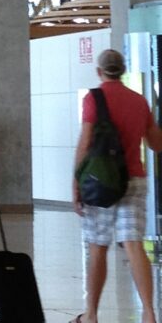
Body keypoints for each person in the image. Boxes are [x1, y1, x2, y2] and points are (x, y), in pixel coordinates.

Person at [71, 48, 162, 323]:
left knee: (98, 246)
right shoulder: (138, 100)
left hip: (100, 181)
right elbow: (156, 144)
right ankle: (148, 312)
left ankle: (92, 314)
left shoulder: (93, 99)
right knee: (134, 244)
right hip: (134, 179)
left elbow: (85, 144)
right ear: (122, 70)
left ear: (100, 72)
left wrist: (76, 183)